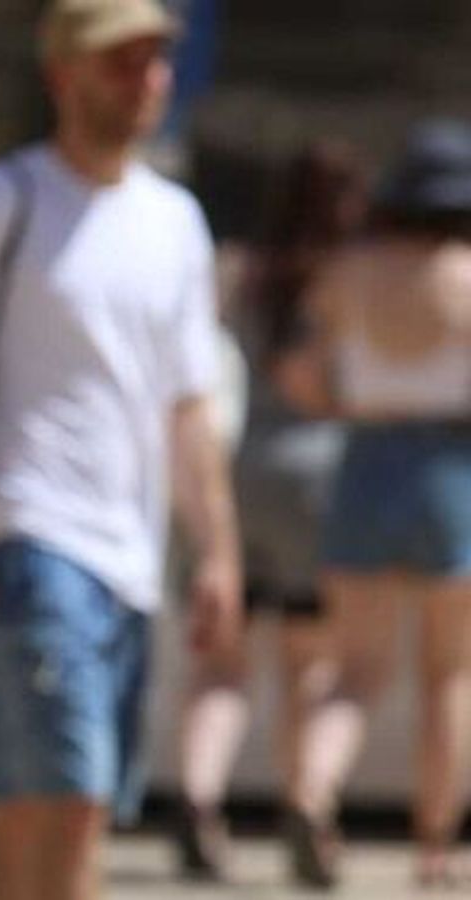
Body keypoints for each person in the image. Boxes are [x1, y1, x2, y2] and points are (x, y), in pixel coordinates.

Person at [0, 1, 243, 898]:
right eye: (122, 61)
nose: (147, 79)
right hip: (31, 534)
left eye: (158, 61)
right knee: (74, 800)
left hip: (131, 559)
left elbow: (188, 405)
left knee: (27, 797)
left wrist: (219, 553)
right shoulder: (5, 198)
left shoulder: (177, 223)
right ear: (63, 76)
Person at [280, 117, 471, 890]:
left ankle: (312, 789)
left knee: (357, 666)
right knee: (451, 675)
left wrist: (346, 407)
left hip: (364, 463)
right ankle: (434, 846)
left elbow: (297, 372)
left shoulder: (346, 273)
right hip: (454, 467)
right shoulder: (466, 274)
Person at [171, 142, 366, 887]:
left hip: (233, 473)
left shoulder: (236, 270)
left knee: (223, 660)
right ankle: (309, 801)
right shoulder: (345, 279)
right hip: (318, 484)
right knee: (308, 665)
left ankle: (198, 797)